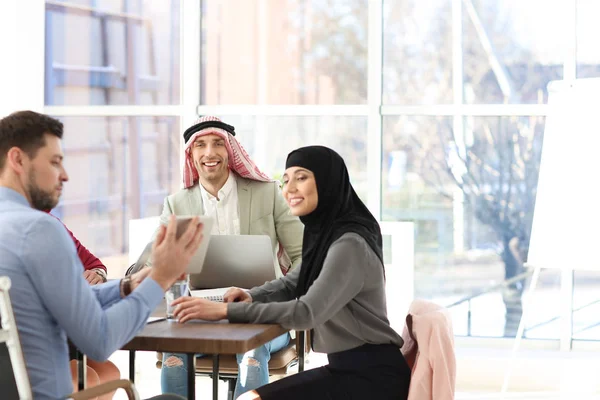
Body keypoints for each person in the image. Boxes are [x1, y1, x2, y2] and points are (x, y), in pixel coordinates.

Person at [171, 145, 412, 400]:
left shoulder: (349, 244)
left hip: (372, 380)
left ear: (328, 181)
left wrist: (226, 311)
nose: (289, 189)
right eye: (286, 180)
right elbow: (294, 283)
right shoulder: (327, 234)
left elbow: (306, 312)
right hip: (348, 370)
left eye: (302, 177)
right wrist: (250, 295)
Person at [0, 110, 203, 400]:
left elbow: (67, 301)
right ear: (18, 160)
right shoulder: (39, 230)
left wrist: (128, 286)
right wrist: (160, 278)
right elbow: (99, 340)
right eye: (55, 162)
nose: (65, 174)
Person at [128, 116, 304, 398]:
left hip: (262, 312)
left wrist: (282, 294)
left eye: (217, 144)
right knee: (174, 350)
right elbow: (152, 261)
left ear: (231, 151)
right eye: (200, 145)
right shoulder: (177, 203)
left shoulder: (267, 193)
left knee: (251, 349)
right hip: (200, 313)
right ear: (191, 155)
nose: (209, 153)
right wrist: (137, 277)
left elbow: (303, 257)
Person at [45, 213, 121, 399]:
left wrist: (96, 274)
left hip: (61, 333)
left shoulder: (49, 222)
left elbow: (94, 263)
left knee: (109, 374)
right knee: (85, 380)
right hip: (23, 341)